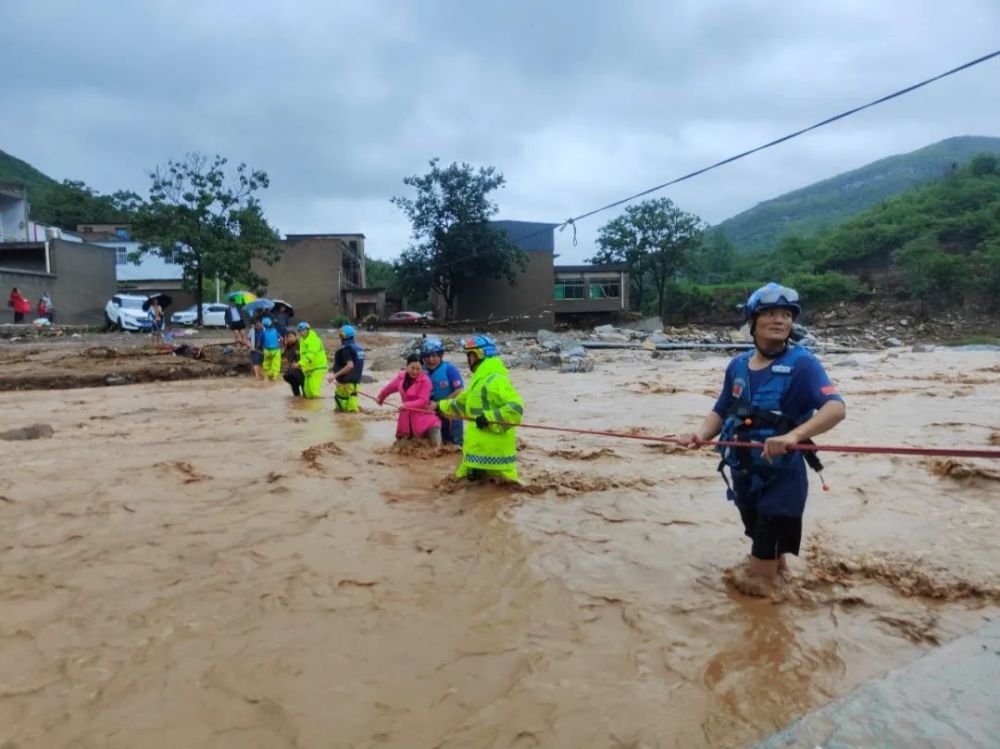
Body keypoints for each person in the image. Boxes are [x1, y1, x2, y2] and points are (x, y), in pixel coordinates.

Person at [677, 283, 846, 582]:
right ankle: (785, 595)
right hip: (745, 477)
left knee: (757, 579)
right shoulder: (737, 365)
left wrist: (793, 435)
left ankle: (765, 617)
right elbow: (722, 408)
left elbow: (835, 408)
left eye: (786, 314)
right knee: (769, 554)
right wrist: (700, 434)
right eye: (769, 313)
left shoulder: (803, 364)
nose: (780, 320)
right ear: (752, 322)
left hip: (782, 482)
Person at [437, 334, 524, 483]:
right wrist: (439, 406)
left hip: (495, 459)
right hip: (477, 456)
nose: (468, 360)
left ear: (478, 355)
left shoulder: (495, 379)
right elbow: (463, 405)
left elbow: (516, 409)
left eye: (470, 355)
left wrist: (490, 418)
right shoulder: (480, 379)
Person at [376, 354, 442, 445]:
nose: (415, 371)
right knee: (399, 449)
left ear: (421, 369)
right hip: (406, 420)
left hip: (426, 421)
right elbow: (389, 388)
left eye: (418, 369)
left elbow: (423, 401)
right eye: (412, 368)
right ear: (407, 366)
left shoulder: (426, 381)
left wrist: (406, 405)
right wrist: (381, 397)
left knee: (436, 448)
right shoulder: (401, 377)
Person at [421, 337, 465, 446]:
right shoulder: (420, 371)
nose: (431, 359)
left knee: (454, 446)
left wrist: (439, 404)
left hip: (450, 415)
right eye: (428, 356)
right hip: (430, 414)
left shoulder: (450, 369)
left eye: (434, 355)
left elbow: (460, 391)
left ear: (441, 355)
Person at [330, 324, 365, 412]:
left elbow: (350, 366)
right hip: (354, 385)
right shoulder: (358, 348)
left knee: (341, 410)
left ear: (342, 336)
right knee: (352, 410)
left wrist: (334, 376)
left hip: (345, 386)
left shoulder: (346, 349)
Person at [296, 321, 328, 399]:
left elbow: (311, 354)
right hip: (309, 368)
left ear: (308, 330)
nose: (302, 333)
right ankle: (310, 409)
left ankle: (317, 408)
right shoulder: (302, 341)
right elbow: (303, 354)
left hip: (317, 367)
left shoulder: (314, 339)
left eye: (303, 330)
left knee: (314, 389)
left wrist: (300, 363)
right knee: (307, 391)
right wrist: (302, 365)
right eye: (300, 331)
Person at [261, 317, 283, 381]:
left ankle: (267, 376)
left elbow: (261, 341)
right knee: (276, 363)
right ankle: (275, 376)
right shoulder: (275, 330)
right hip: (276, 350)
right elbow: (281, 338)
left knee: (267, 363)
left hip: (266, 350)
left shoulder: (263, 332)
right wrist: (281, 346)